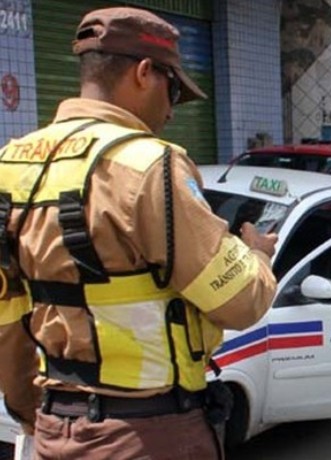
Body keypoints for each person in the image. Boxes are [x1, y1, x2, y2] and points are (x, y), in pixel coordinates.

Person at [0, 7, 279, 458]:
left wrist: (32, 410)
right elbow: (241, 300)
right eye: (172, 91)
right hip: (150, 432)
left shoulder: (11, 164)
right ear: (145, 72)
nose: (171, 111)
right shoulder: (150, 165)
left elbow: (8, 315)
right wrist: (258, 254)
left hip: (57, 429)